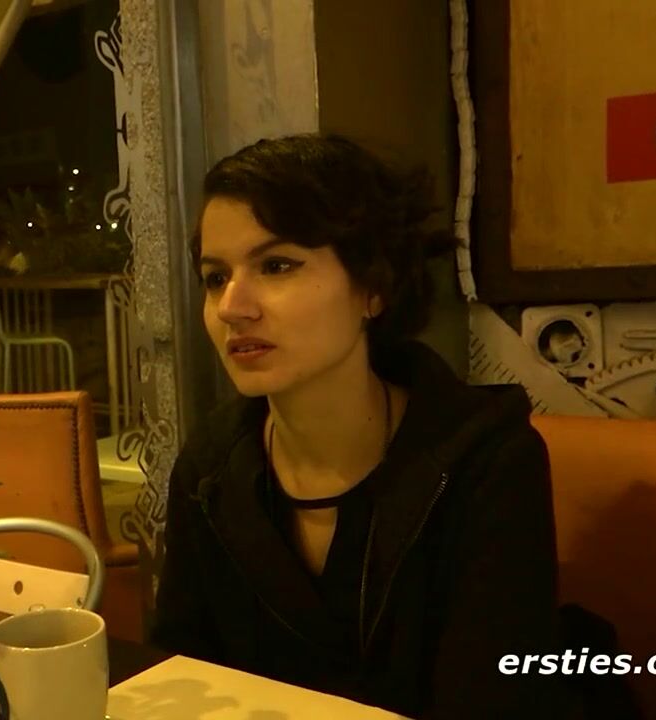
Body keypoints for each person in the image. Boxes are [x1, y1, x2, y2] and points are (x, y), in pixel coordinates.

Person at [148, 133, 575, 718]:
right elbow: (178, 677)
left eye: (276, 266)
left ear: (373, 286)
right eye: (216, 277)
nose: (231, 307)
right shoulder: (211, 467)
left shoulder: (484, 461)